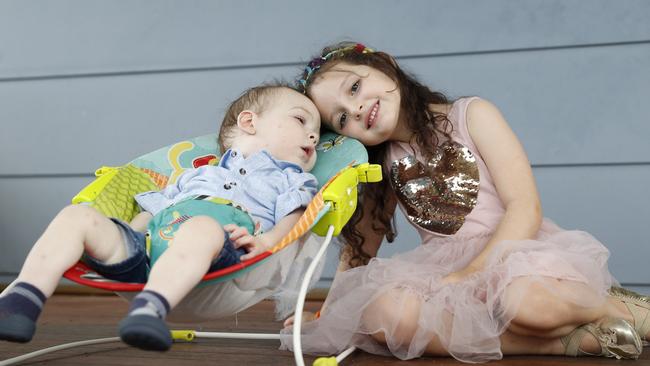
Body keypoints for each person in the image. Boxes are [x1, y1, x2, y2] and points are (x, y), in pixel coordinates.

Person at [281, 42, 649, 362]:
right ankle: (568, 343)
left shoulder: (472, 114)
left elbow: (525, 207)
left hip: (514, 253)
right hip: (446, 272)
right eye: (342, 117)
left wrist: (474, 274)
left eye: (356, 87)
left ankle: (613, 307)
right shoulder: (384, 163)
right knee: (384, 315)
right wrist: (330, 311)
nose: (357, 108)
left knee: (524, 302)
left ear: (385, 63)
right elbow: (361, 250)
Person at [0, 85, 321, 352]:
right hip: (151, 247)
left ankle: (149, 309)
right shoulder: (196, 174)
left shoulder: (292, 180)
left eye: (317, 134)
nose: (313, 137)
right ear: (250, 122)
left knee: (201, 227)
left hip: (221, 249)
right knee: (77, 217)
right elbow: (151, 212)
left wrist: (265, 242)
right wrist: (123, 238)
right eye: (301, 121)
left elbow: (294, 219)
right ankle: (22, 299)